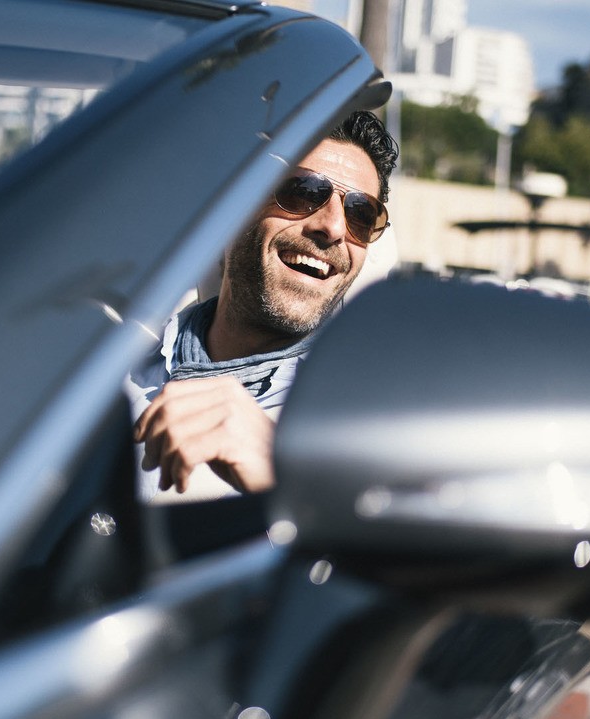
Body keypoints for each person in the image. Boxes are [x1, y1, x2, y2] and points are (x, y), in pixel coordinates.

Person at [127, 110, 398, 503]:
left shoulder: (372, 425)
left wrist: (280, 478)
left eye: (361, 214)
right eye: (304, 191)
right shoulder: (107, 367)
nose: (334, 228)